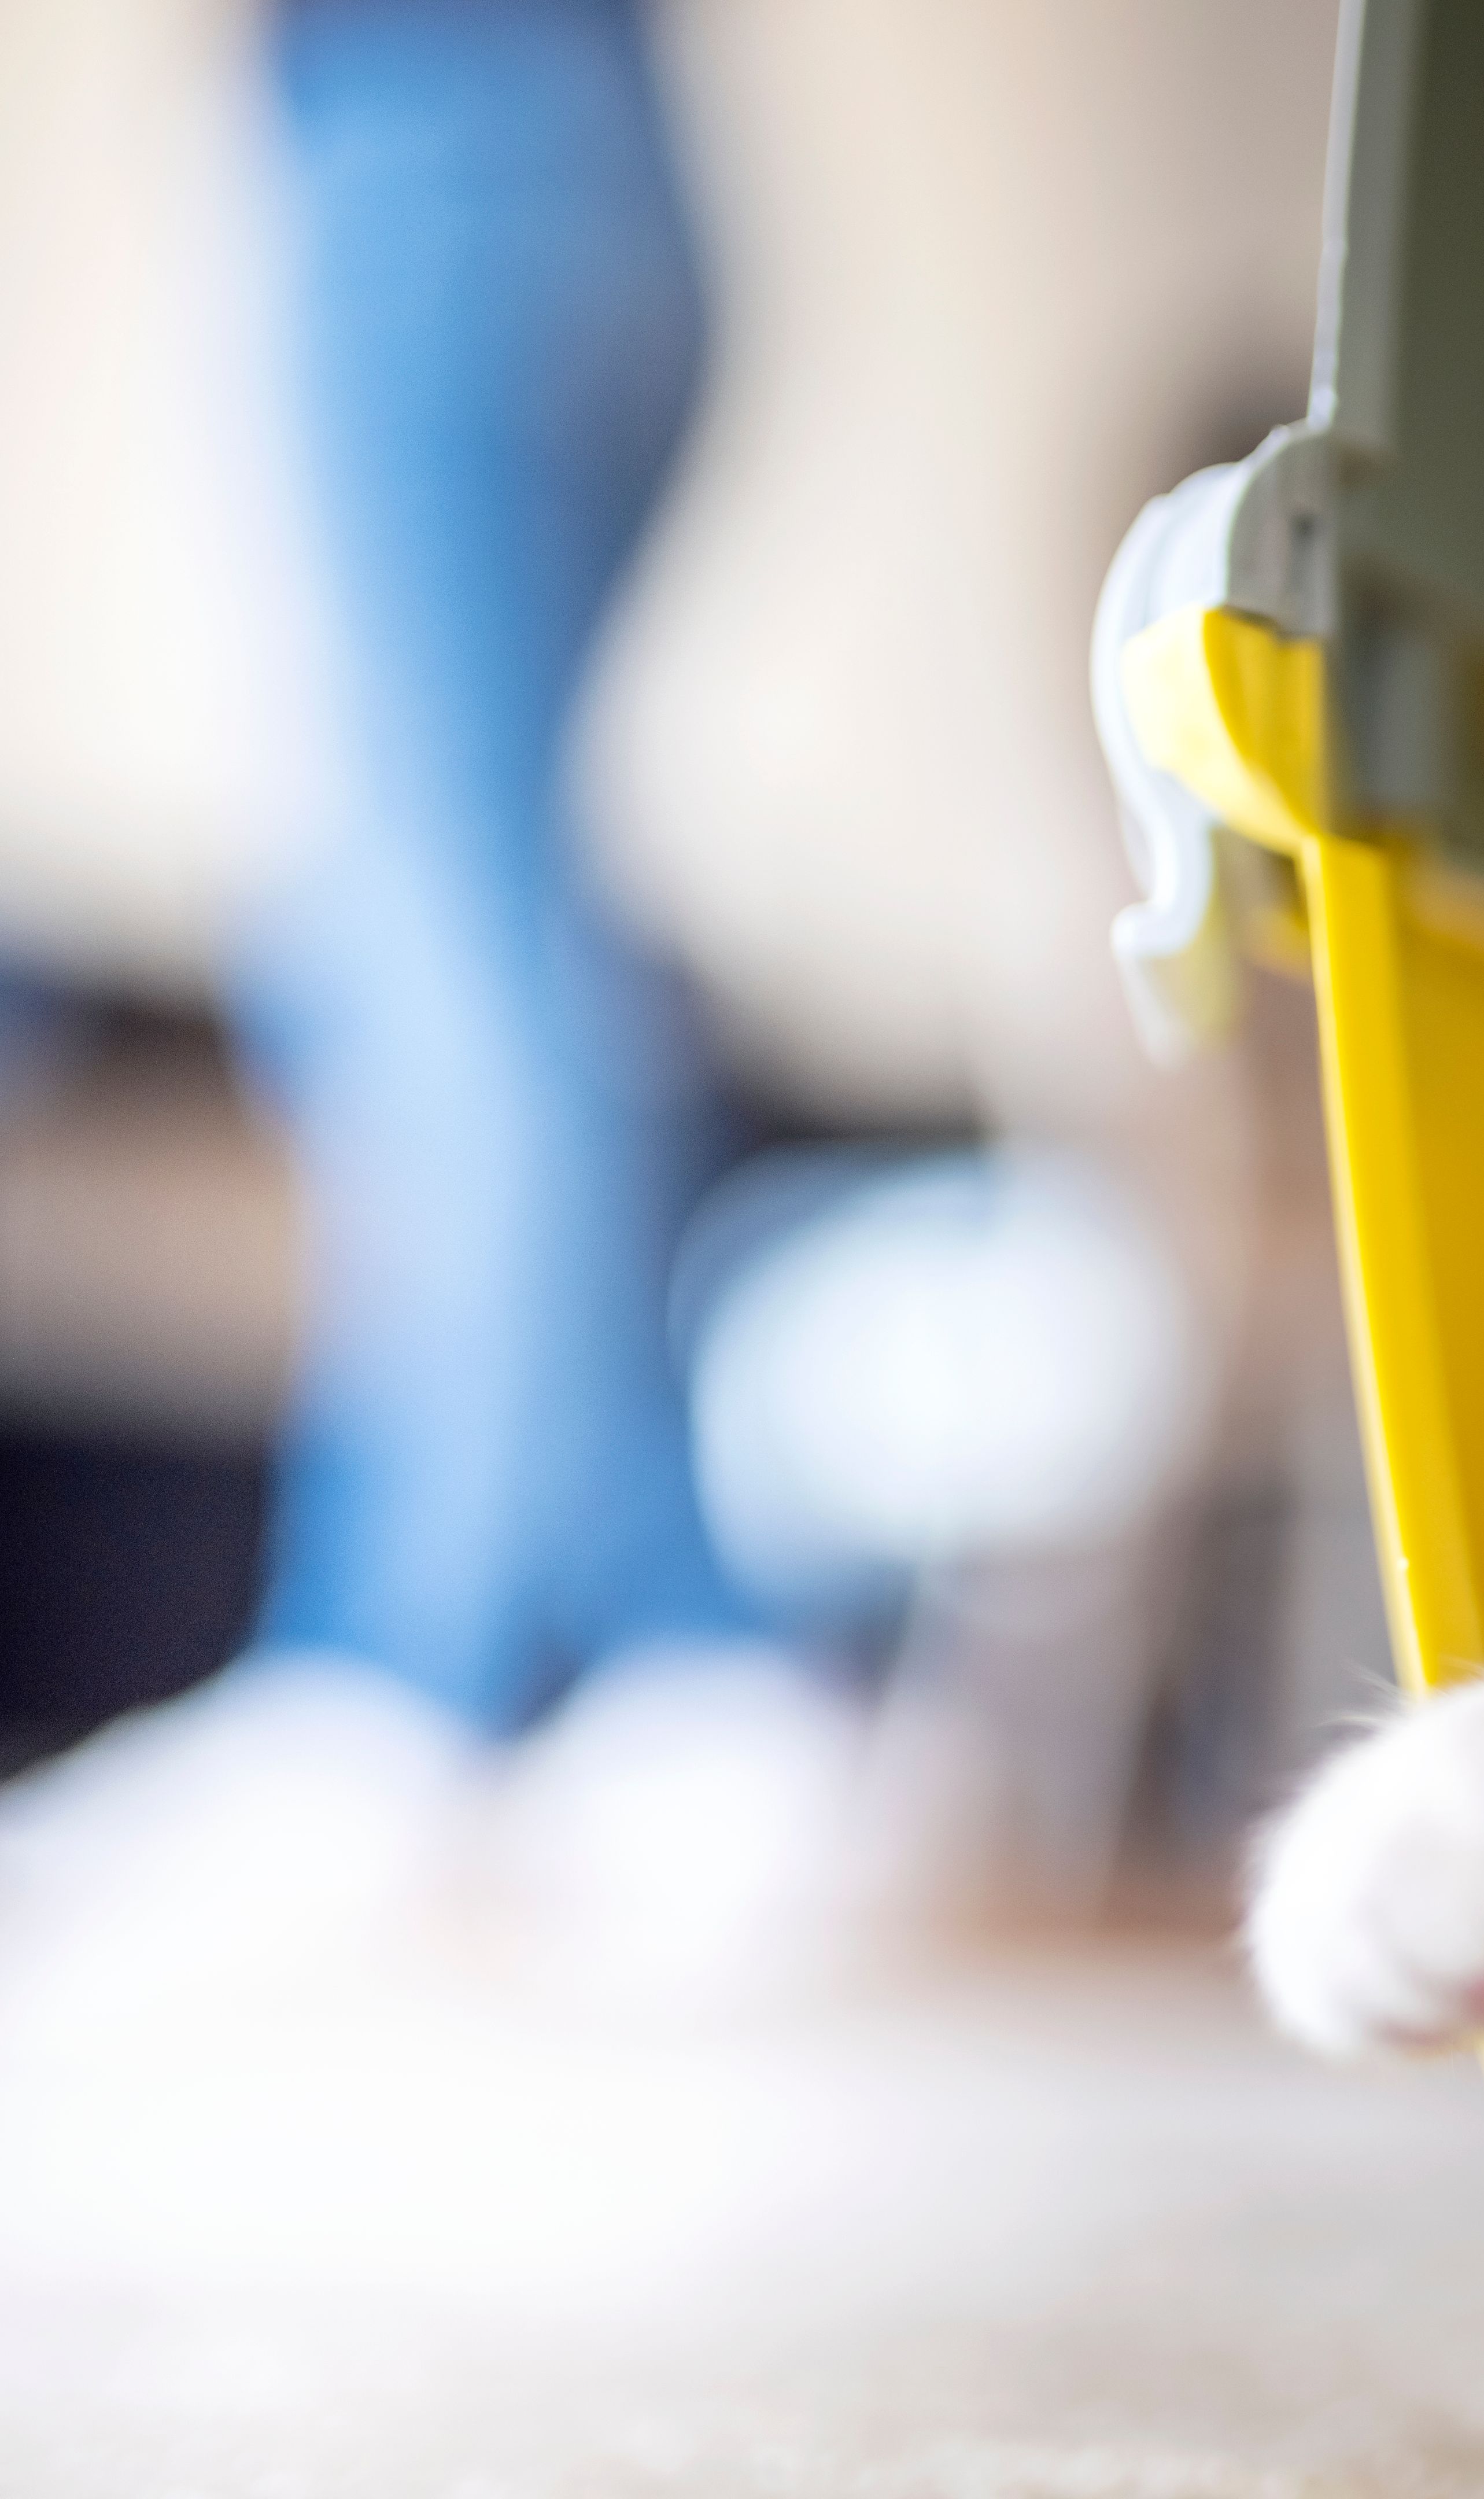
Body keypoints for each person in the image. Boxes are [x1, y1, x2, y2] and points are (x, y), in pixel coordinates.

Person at [0, 0, 853, 2026]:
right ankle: (679, 1650)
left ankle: (406, 1677)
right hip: (577, 134)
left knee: (438, 946)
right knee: (479, 926)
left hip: (439, 123)